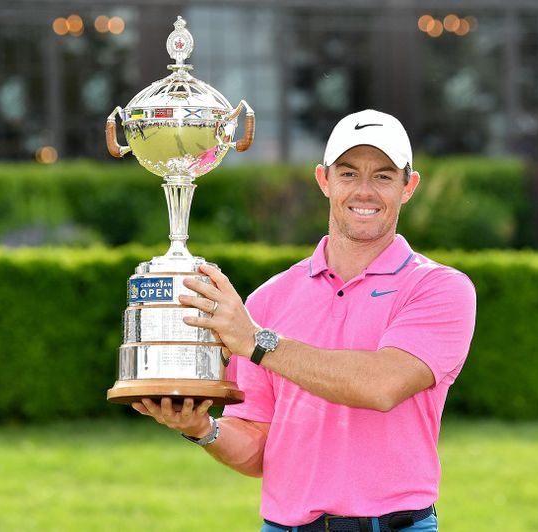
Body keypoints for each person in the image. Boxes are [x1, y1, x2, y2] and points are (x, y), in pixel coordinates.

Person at [133, 109, 476, 532]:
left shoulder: (440, 288)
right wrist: (203, 428)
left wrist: (259, 343)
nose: (364, 191)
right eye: (348, 174)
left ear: (409, 186)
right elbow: (259, 448)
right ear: (324, 180)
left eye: (384, 176)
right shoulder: (270, 299)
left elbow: (382, 385)